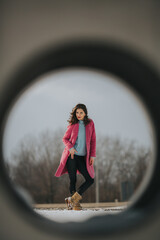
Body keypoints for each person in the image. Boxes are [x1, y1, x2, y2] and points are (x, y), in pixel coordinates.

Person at [54, 103, 96, 210]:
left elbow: (93, 140)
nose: (78, 114)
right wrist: (71, 148)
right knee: (73, 179)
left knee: (90, 179)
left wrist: (92, 155)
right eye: (77, 112)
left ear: (85, 113)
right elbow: (65, 139)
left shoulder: (90, 123)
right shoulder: (73, 125)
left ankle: (72, 200)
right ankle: (75, 204)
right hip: (71, 157)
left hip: (83, 158)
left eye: (81, 112)